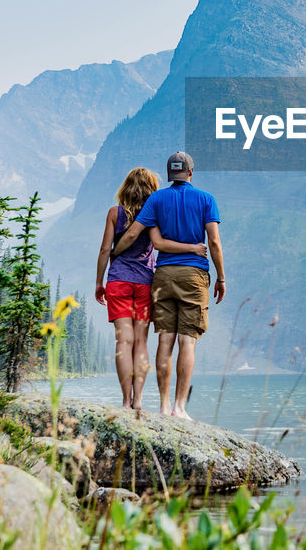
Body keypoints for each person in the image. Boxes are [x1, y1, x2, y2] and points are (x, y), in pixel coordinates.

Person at [111, 151, 224, 419]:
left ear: (170, 174)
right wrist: (221, 277)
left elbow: (134, 233)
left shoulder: (157, 198)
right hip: (194, 276)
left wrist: (116, 252)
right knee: (187, 341)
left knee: (165, 339)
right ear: (191, 173)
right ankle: (179, 408)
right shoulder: (206, 199)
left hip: (162, 275)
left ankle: (162, 405)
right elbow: (215, 243)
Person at [95, 167, 207, 409]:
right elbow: (158, 243)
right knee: (141, 342)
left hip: (118, 281)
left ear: (125, 188)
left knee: (124, 342)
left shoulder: (114, 213)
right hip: (146, 282)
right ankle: (139, 400)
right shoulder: (153, 213)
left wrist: (99, 281)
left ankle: (125, 401)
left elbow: (105, 250)